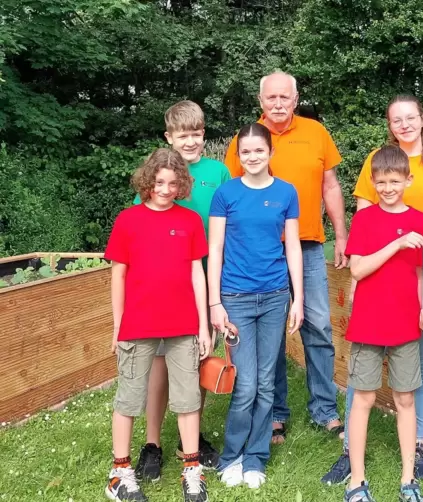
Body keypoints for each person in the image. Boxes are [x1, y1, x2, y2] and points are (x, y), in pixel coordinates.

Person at [322, 94, 423, 485]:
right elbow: (363, 214)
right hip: (378, 263)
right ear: (390, 125)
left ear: (422, 120)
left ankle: (418, 441)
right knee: (363, 369)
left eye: (411, 117)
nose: (404, 124)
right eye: (396, 119)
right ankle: (349, 454)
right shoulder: (379, 158)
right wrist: (360, 281)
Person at [223, 71, 346, 442]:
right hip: (259, 252)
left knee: (319, 327)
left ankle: (324, 408)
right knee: (271, 335)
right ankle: (275, 411)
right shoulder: (246, 139)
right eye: (270, 98)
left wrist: (341, 234)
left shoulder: (316, 133)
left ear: (296, 99)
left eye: (284, 98)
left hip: (307, 246)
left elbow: (330, 185)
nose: (278, 104)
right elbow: (231, 195)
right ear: (260, 101)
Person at [104, 148, 212, 502]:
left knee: (188, 398)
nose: (165, 189)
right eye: (159, 183)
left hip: (184, 325)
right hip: (137, 325)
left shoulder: (190, 221)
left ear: (182, 184)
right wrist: (118, 325)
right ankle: (119, 473)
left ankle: (192, 469)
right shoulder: (128, 220)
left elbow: (198, 274)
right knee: (130, 398)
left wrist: (204, 326)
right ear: (147, 183)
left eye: (173, 183)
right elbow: (118, 275)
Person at [133, 100, 230, 481]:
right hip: (163, 289)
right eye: (182, 135)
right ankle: (152, 443)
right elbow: (139, 230)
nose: (190, 142)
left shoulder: (218, 172)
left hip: (204, 281)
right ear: (169, 137)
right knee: (159, 368)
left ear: (204, 134)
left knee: (198, 361)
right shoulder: (158, 174)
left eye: (197, 134)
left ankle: (192, 436)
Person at [209, 123, 304, 489]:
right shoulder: (226, 194)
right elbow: (214, 249)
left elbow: (293, 246)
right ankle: (231, 455)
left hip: (276, 296)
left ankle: (256, 458)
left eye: (258, 151)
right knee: (246, 383)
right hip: (235, 298)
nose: (252, 157)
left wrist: (299, 298)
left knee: (266, 382)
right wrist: (215, 302)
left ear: (270, 153)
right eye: (245, 152)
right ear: (238, 156)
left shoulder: (286, 193)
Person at [343, 145, 423, 502]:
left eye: (394, 181)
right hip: (368, 322)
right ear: (373, 182)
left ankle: (408, 480)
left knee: (405, 399)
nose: (387, 188)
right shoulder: (365, 220)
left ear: (408, 180)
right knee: (363, 398)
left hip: (405, 323)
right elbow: (358, 268)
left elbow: (421, 270)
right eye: (381, 182)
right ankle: (357, 481)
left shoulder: (421, 221)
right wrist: (397, 243)